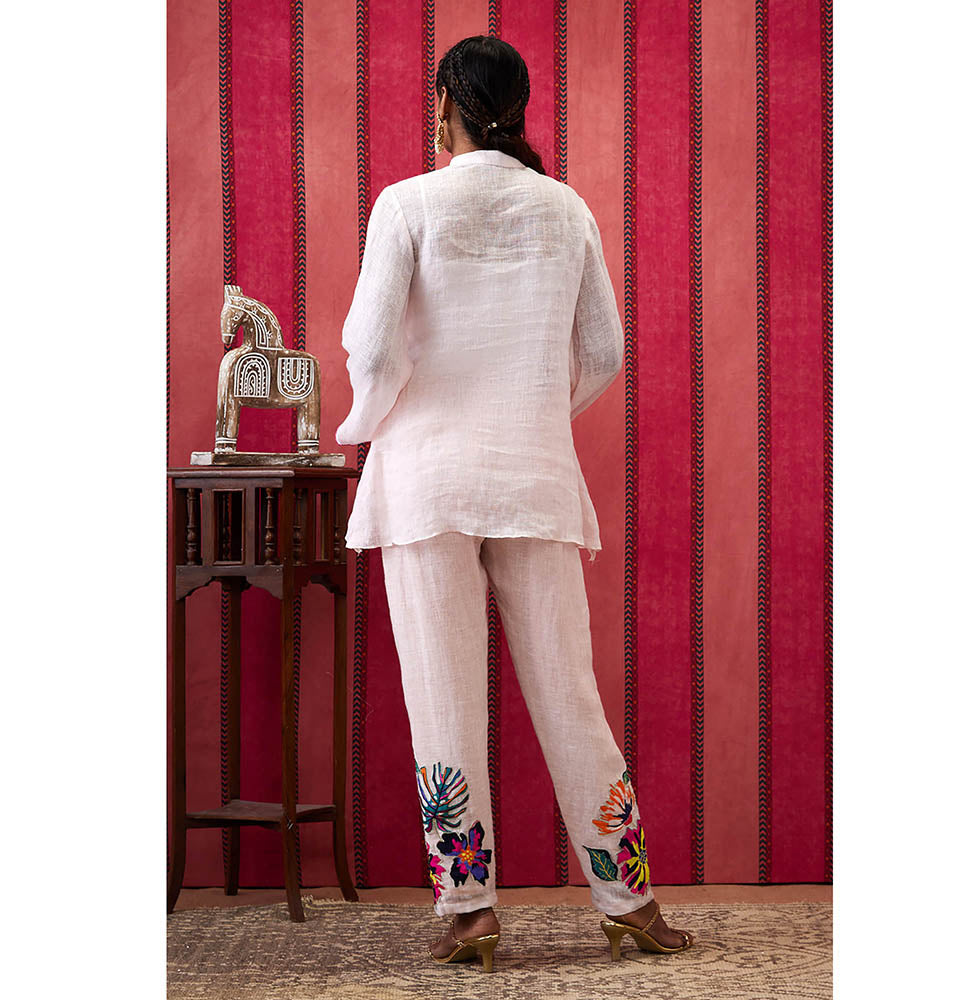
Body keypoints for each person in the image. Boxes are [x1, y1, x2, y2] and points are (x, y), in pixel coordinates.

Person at [334, 34, 694, 972]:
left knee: (441, 696)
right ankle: (631, 902)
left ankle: (472, 913)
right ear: (519, 107)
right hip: (533, 475)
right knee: (570, 693)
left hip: (425, 481)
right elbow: (604, 352)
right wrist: (533, 409)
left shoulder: (406, 204)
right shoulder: (565, 208)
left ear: (444, 104)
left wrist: (372, 420)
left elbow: (371, 348)